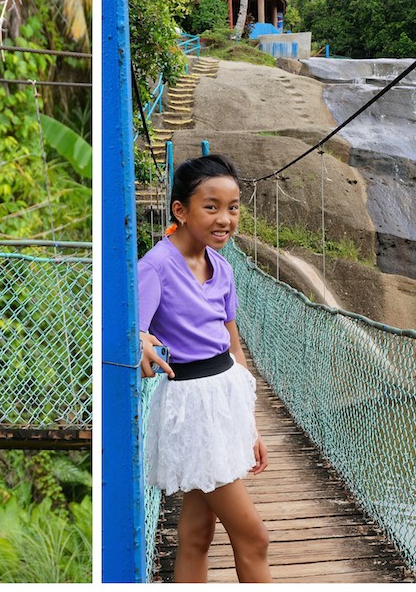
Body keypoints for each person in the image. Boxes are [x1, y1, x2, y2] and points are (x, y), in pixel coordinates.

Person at [138, 154, 271, 582]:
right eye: (210, 207)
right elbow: (132, 328)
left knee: (196, 533)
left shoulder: (224, 268)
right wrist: (138, 339)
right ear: (181, 210)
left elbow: (235, 347)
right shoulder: (154, 267)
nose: (225, 219)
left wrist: (251, 426)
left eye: (232, 208)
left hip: (225, 400)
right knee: (253, 537)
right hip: (193, 409)